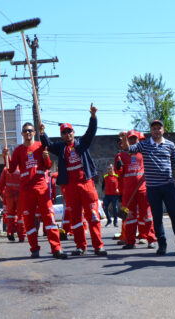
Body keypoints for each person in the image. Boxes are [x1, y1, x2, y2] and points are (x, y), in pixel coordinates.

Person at [119, 120, 175, 256]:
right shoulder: (144, 145)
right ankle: (162, 245)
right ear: (150, 131)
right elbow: (128, 149)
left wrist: (171, 179)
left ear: (163, 130)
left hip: (168, 187)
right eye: (154, 129)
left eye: (159, 128)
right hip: (152, 189)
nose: (156, 131)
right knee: (157, 218)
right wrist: (124, 138)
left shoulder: (170, 145)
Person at [40, 106, 105, 257]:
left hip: (86, 184)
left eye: (69, 131)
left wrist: (93, 116)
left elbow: (91, 131)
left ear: (73, 132)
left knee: (93, 216)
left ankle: (98, 246)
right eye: (64, 132)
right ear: (61, 135)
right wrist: (42, 133)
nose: (67, 134)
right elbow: (48, 144)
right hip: (70, 187)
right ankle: (80, 246)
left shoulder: (82, 144)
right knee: (75, 218)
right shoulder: (61, 148)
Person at [6, 122, 66, 259]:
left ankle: (56, 249)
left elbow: (48, 166)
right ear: (22, 134)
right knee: (29, 220)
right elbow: (10, 169)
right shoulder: (18, 150)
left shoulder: (40, 146)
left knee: (49, 218)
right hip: (26, 190)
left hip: (41, 187)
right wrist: (6, 156)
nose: (28, 133)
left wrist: (46, 158)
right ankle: (34, 249)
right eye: (25, 131)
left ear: (34, 132)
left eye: (30, 130)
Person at [115, 131, 155, 250]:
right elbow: (119, 174)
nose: (132, 141)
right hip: (128, 192)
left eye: (134, 139)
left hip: (143, 190)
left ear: (138, 140)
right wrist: (118, 167)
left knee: (147, 216)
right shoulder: (120, 155)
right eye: (130, 139)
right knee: (129, 217)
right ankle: (130, 241)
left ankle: (151, 239)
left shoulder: (144, 153)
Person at [0, 166, 24, 242]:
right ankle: (21, 236)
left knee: (10, 215)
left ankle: (10, 233)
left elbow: (1, 182)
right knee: (20, 216)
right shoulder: (22, 167)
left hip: (9, 195)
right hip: (20, 194)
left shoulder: (6, 169)